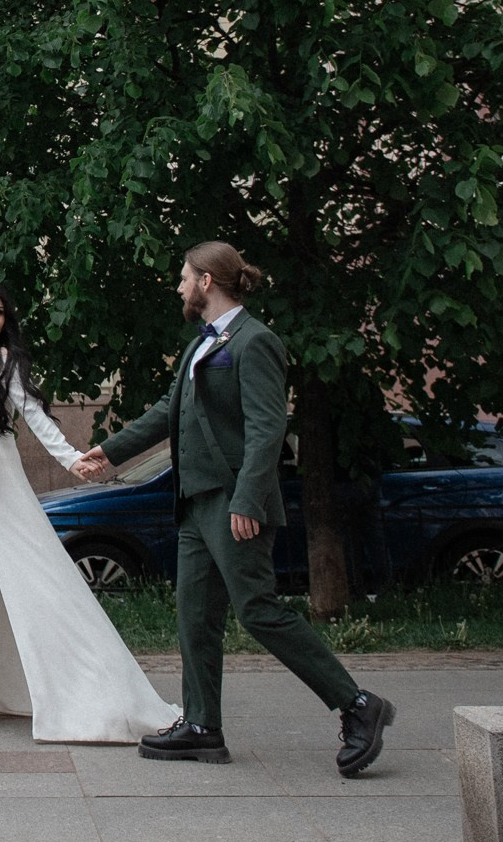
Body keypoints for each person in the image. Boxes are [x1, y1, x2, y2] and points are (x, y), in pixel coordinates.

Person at [72, 242, 395, 777]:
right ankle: (202, 726)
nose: (178, 286)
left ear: (206, 281)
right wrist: (109, 452)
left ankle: (358, 705)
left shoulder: (255, 340)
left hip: (231, 501)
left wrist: (248, 499)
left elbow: (268, 428)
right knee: (194, 616)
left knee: (258, 610)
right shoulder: (202, 344)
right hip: (195, 504)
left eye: (184, 277)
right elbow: (168, 411)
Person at [0, 280, 181, 743]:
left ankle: (91, 690)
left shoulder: (5, 362)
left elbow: (34, 415)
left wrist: (72, 459)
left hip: (1, 478)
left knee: (38, 577)